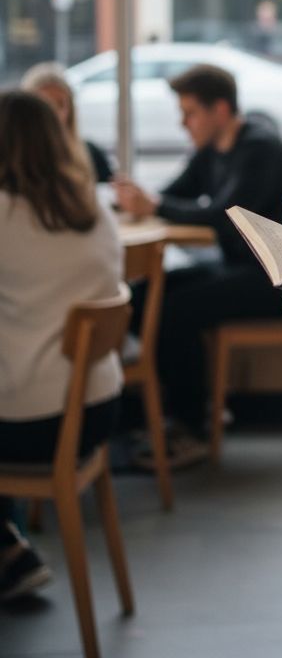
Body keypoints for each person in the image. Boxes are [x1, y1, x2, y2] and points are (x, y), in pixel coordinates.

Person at [114, 64, 282, 466]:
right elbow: (172, 195)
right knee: (141, 298)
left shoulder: (260, 149)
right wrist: (131, 200)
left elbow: (222, 215)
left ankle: (193, 428)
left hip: (273, 279)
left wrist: (156, 206)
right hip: (238, 269)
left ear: (221, 109)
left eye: (190, 112)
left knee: (173, 311)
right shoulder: (211, 152)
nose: (183, 123)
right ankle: (175, 415)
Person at [0, 91, 123, 602]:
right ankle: (10, 551)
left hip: (35, 424)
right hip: (98, 409)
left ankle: (9, 551)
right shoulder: (94, 208)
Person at [21, 61, 113, 183]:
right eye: (45, 105)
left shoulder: (91, 155)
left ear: (71, 108)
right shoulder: (13, 160)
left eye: (60, 104)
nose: (53, 113)